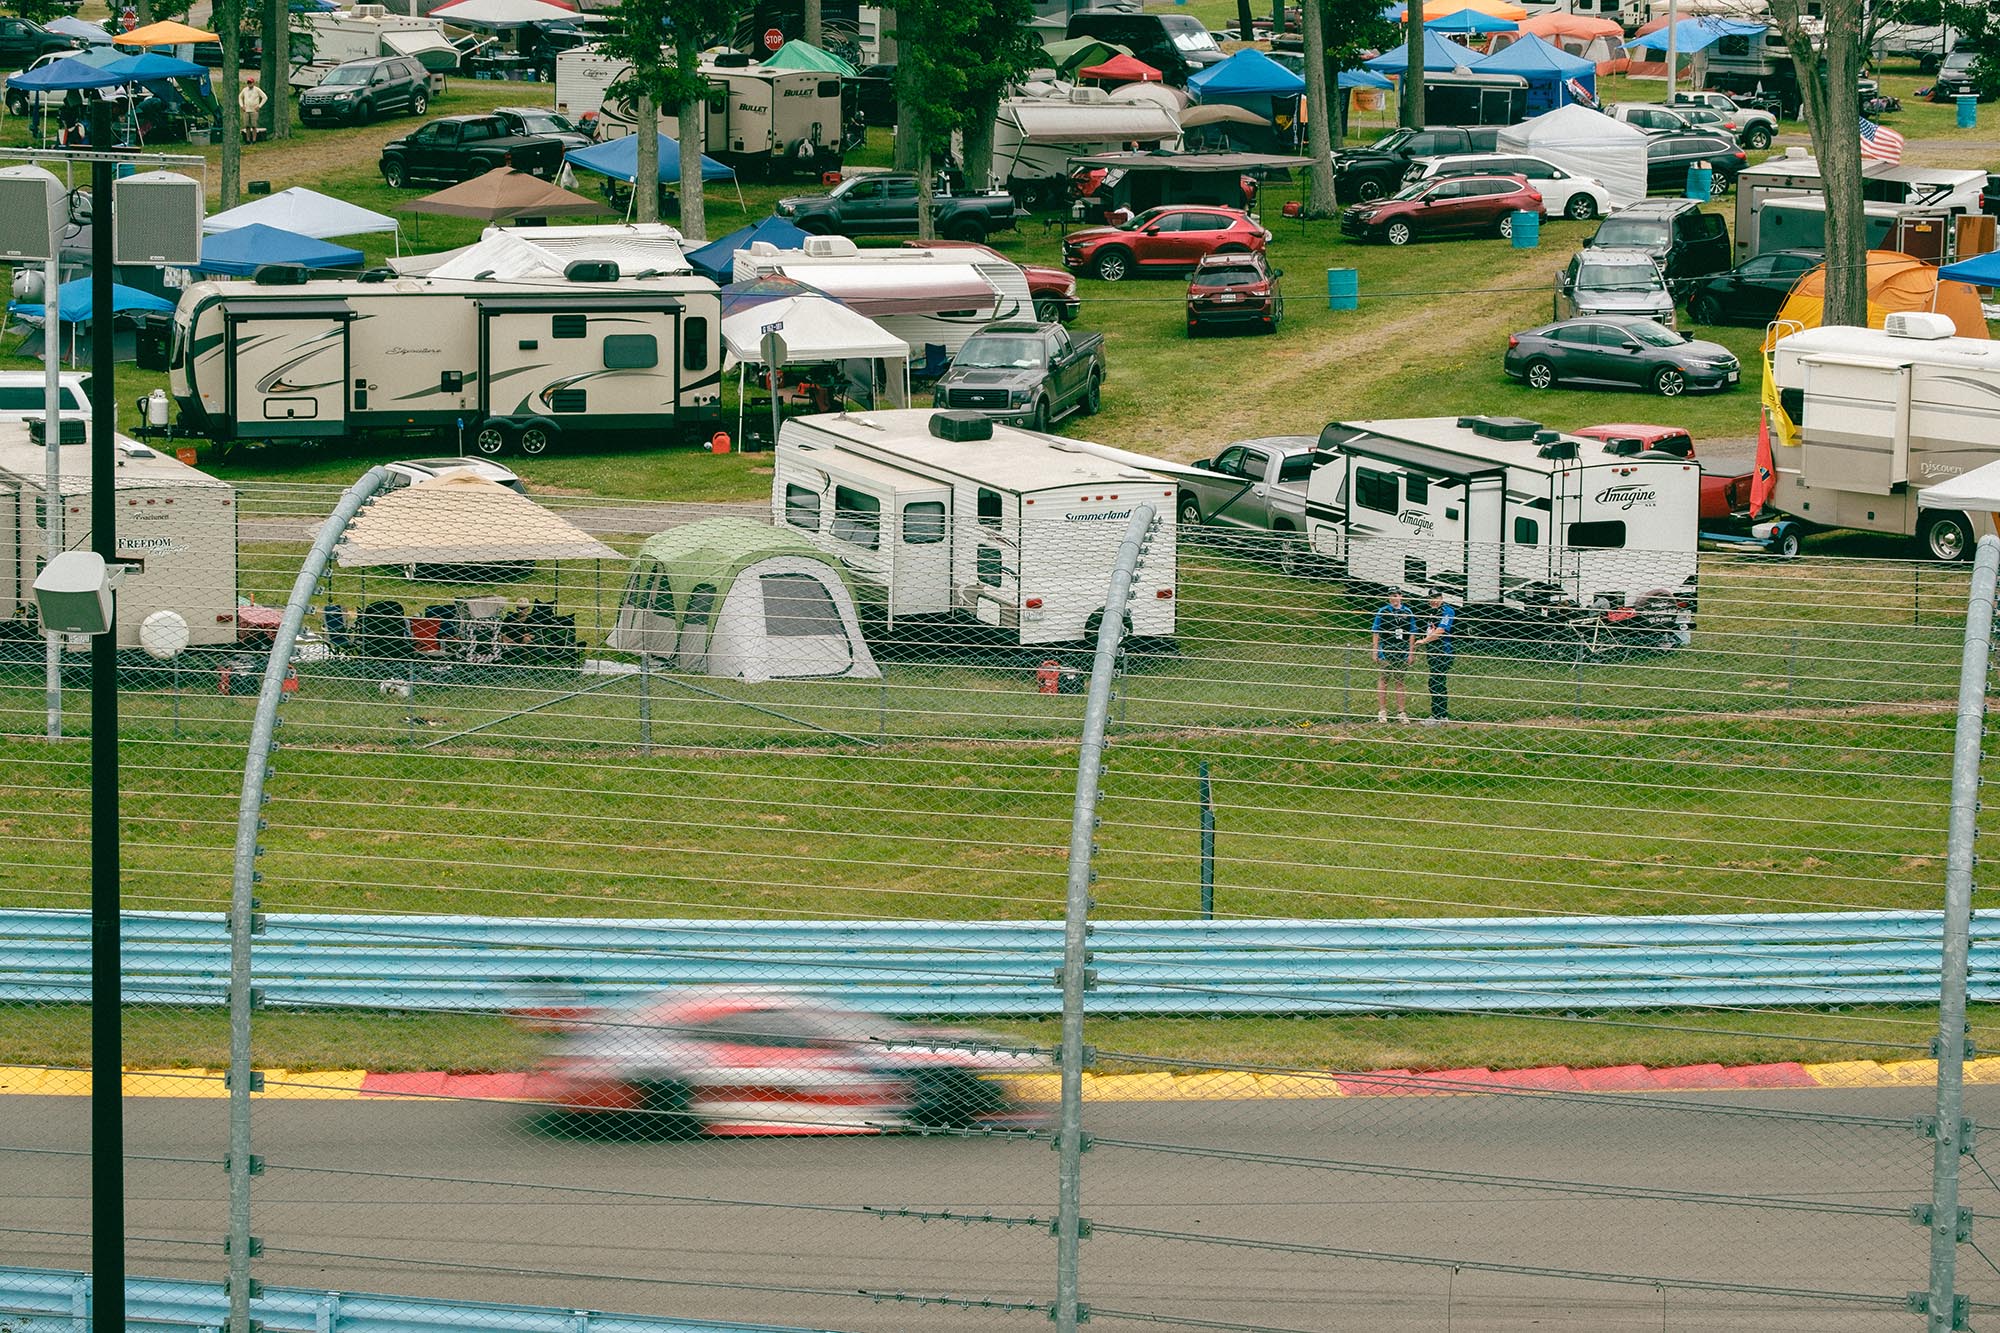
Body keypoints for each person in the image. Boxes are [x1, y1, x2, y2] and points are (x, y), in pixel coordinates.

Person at [1371, 590, 1414, 723]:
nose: (1394, 598)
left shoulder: (1408, 612)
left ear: (1401, 596)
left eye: (1396, 595)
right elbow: (1376, 632)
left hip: (1402, 651)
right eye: (1391, 595)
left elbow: (1412, 633)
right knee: (1384, 679)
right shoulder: (1383, 611)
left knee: (1400, 681)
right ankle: (1382, 711)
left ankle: (1401, 712)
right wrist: (1375, 651)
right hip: (1386, 650)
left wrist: (1411, 652)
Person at [1418, 588, 1457, 725]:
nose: (1433, 600)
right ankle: (1441, 716)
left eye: (1436, 597)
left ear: (1441, 597)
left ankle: (1437, 716)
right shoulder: (1432, 612)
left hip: (1443, 652)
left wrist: (1424, 641)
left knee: (1436, 682)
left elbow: (1440, 630)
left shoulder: (1447, 611)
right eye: (1431, 598)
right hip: (1433, 652)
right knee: (1437, 682)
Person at [239, 74, 267, 143]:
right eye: (248, 83)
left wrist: (259, 106)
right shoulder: (245, 90)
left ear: (253, 83)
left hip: (254, 110)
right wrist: (242, 105)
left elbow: (264, 97)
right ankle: (248, 139)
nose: (249, 84)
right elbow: (240, 97)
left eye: (250, 83)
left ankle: (254, 139)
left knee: (254, 126)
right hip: (246, 110)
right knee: (247, 126)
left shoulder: (257, 90)